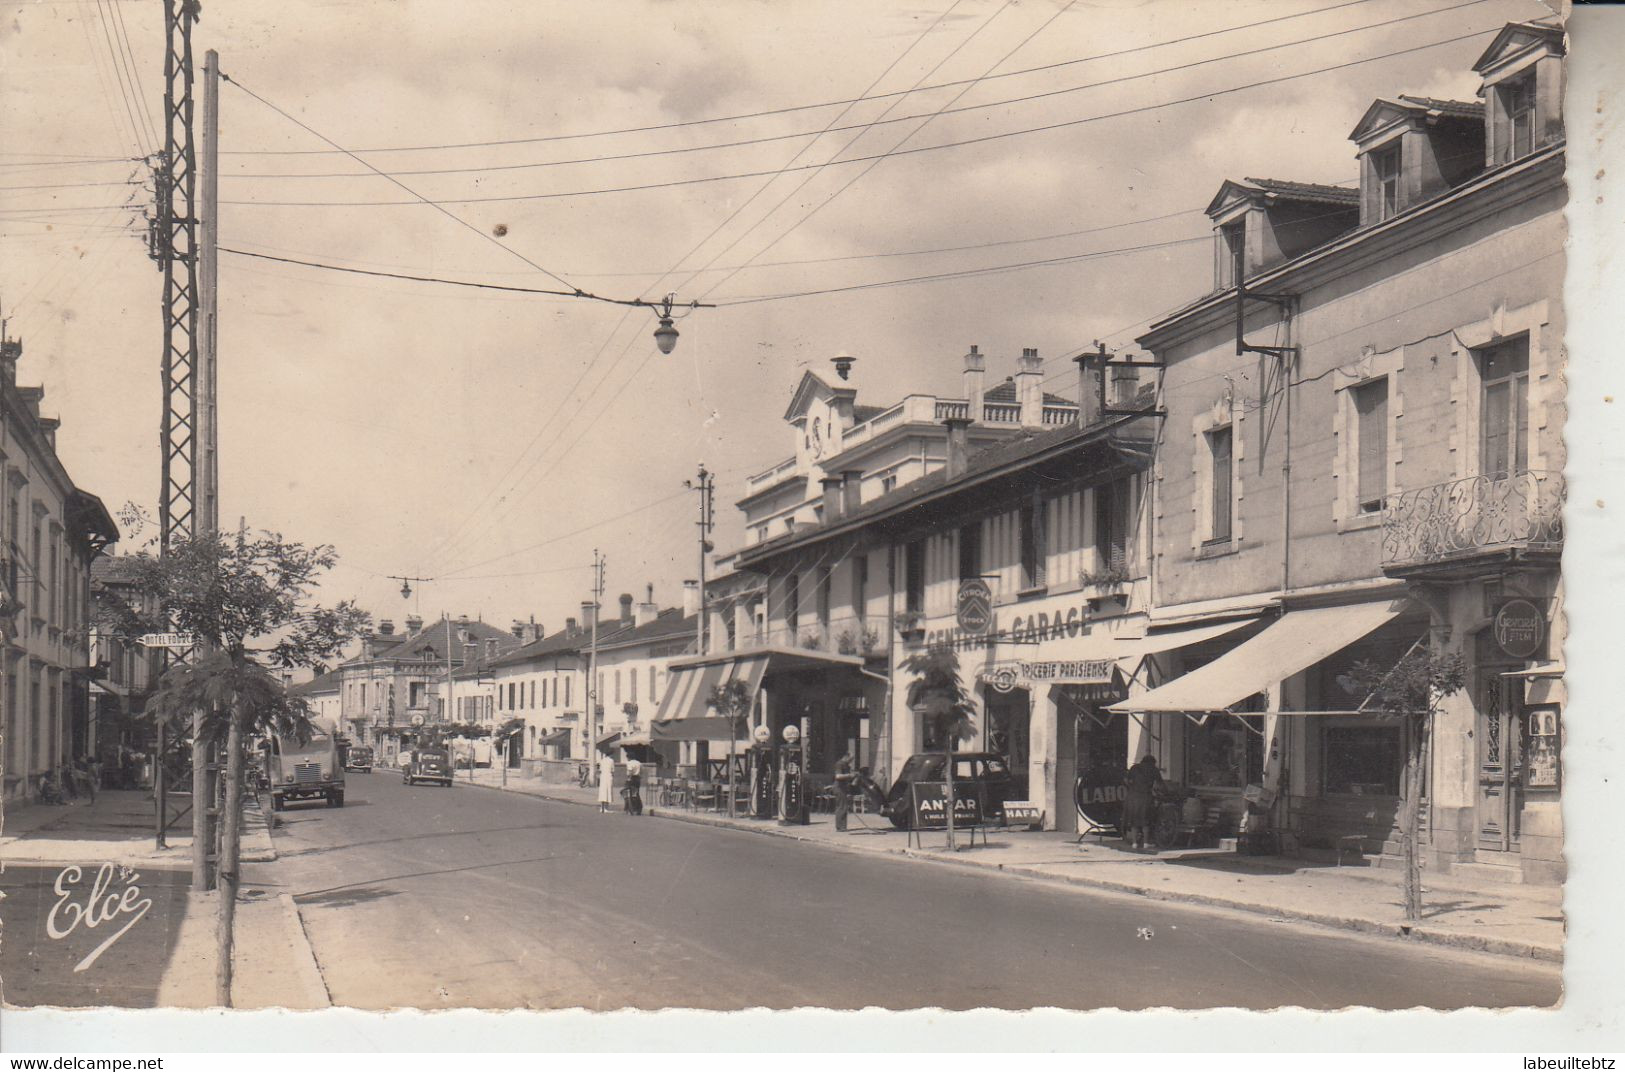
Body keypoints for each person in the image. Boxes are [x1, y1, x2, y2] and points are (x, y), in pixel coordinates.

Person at [1122, 755, 1165, 851]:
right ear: (1152, 762)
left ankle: (1134, 843)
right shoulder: (1153, 769)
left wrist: (1132, 787)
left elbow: (1126, 780)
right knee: (1146, 820)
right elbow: (1160, 784)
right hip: (1145, 797)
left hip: (1132, 797)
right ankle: (1146, 843)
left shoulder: (1134, 767)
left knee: (1134, 820)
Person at [832, 750, 855, 832]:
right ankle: (839, 827)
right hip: (839, 788)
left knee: (844, 807)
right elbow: (838, 776)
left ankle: (843, 827)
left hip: (844, 788)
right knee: (841, 806)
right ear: (846, 756)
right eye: (851, 759)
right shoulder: (839, 764)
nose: (851, 761)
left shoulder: (846, 765)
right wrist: (849, 775)